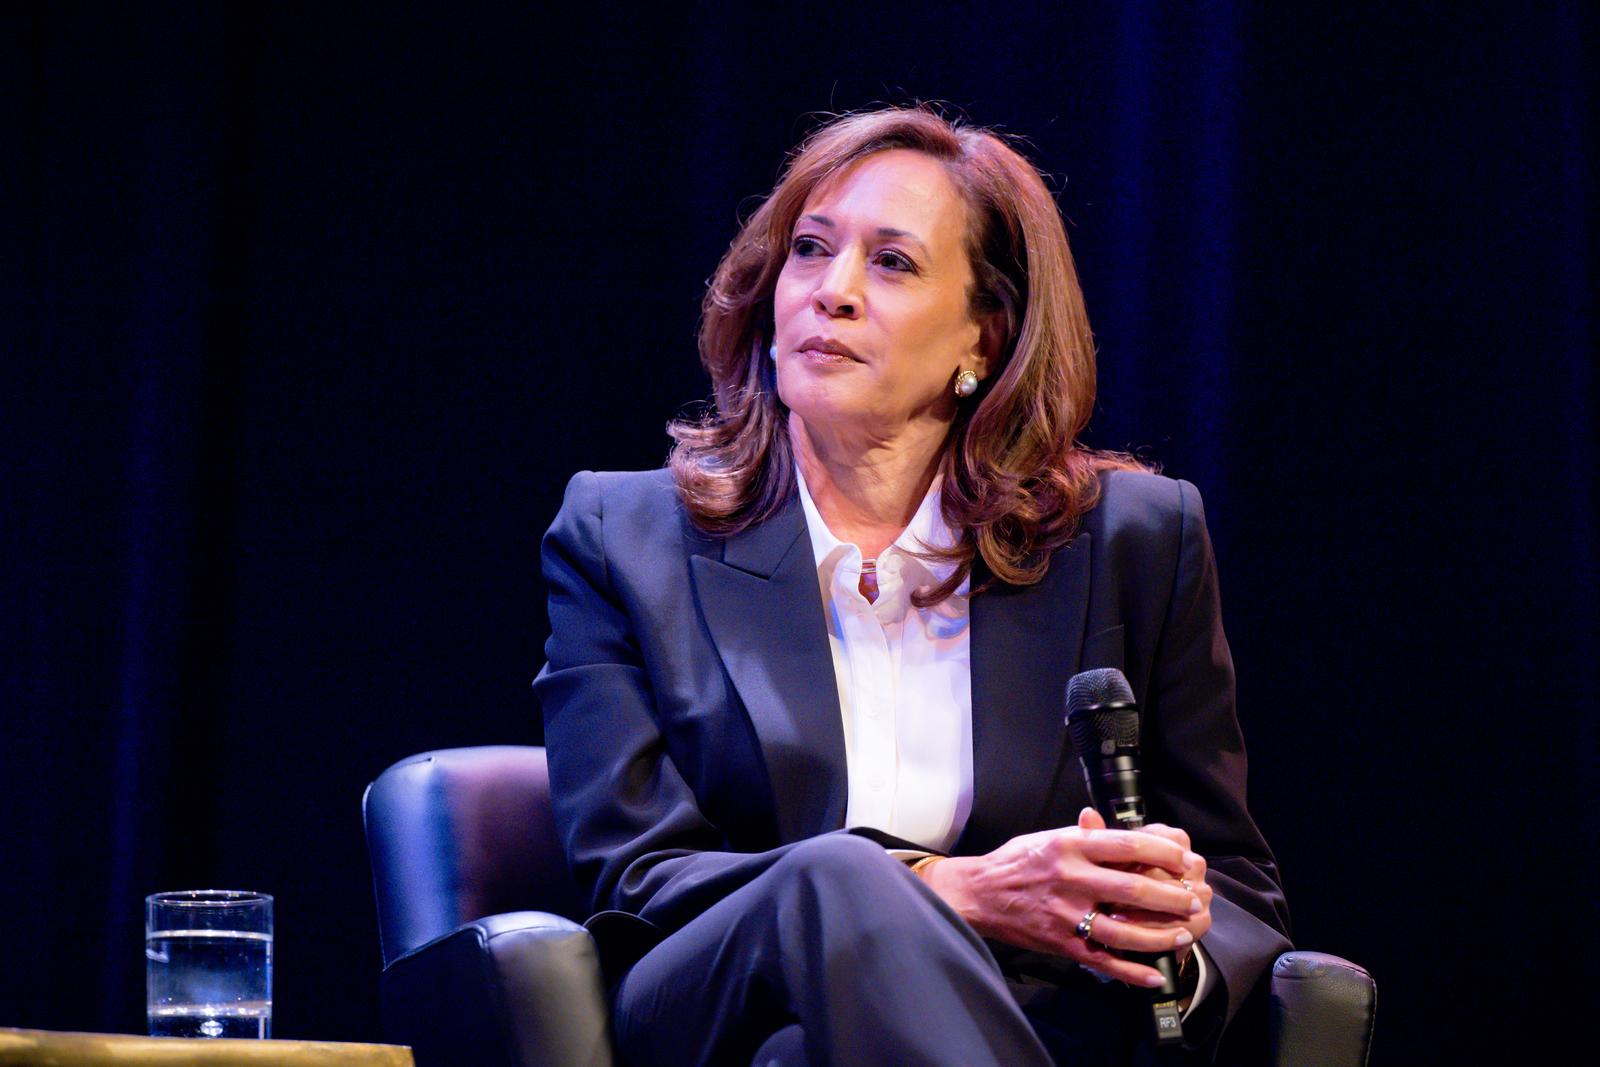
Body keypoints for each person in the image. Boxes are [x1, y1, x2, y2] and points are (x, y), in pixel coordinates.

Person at [533, 105, 1290, 1066]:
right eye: (810, 250)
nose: (833, 291)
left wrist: (1152, 933)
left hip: (1029, 1020)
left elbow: (1235, 884)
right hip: (717, 997)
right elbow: (637, 875)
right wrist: (950, 890)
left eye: (892, 263)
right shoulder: (622, 535)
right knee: (833, 878)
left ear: (985, 338)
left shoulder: (1134, 541)